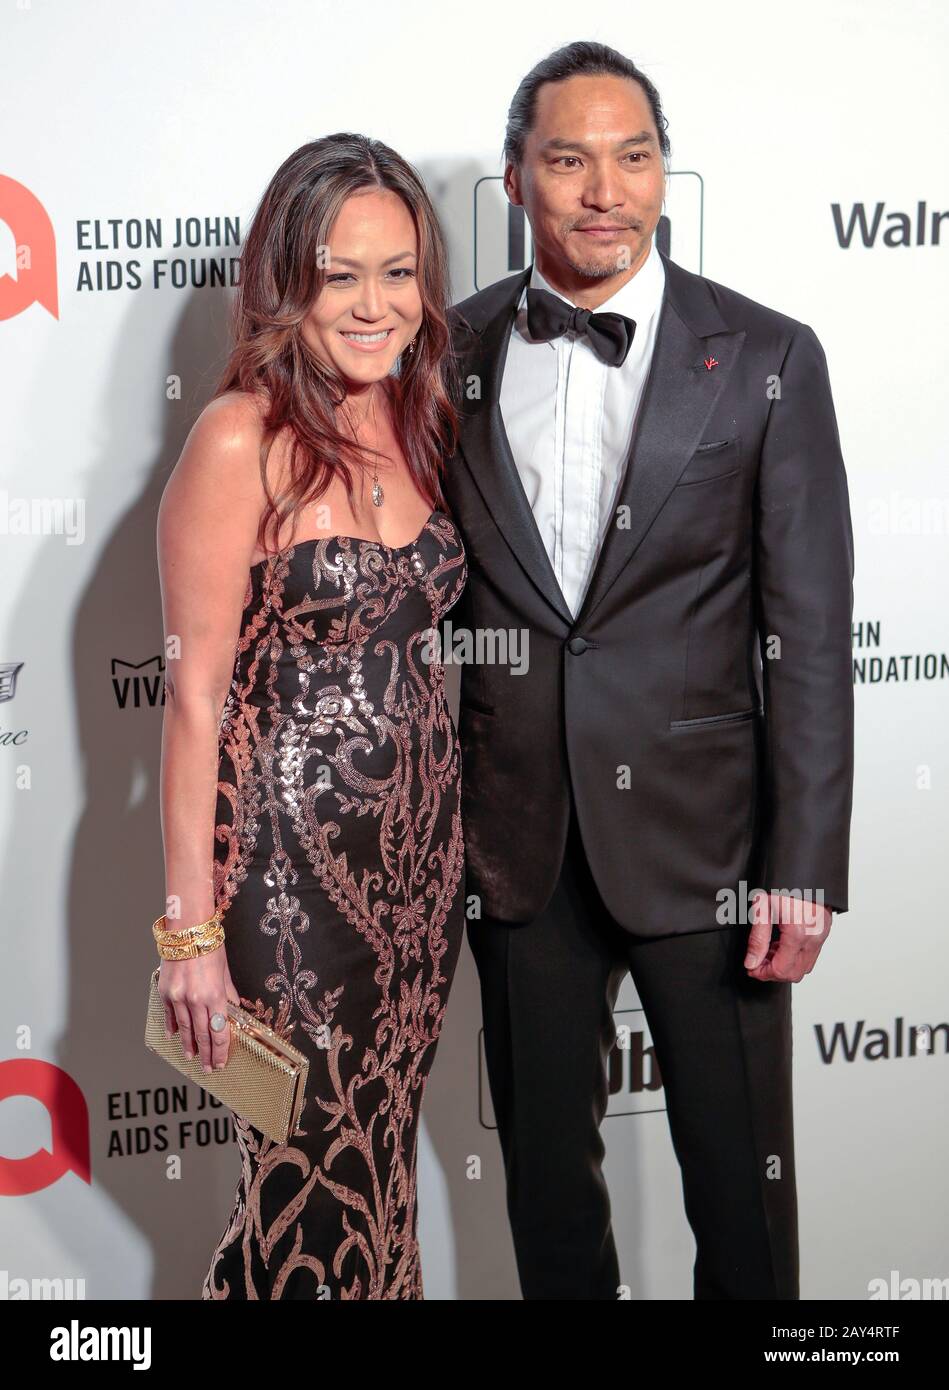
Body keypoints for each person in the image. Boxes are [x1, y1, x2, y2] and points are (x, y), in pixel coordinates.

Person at [442, 41, 855, 1299]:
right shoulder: (440, 357)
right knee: (548, 1210)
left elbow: (812, 630)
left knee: (742, 1202)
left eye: (633, 155)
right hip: (519, 844)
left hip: (711, 852)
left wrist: (802, 868)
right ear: (517, 179)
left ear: (664, 171)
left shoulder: (770, 356)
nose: (604, 188)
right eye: (568, 159)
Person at [155, 133, 467, 1300]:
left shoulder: (419, 418)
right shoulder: (239, 438)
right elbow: (190, 697)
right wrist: (189, 934)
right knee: (299, 1174)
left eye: (399, 272)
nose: (377, 305)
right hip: (282, 883)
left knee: (379, 1159)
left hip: (417, 876)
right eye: (343, 275)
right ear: (291, 281)